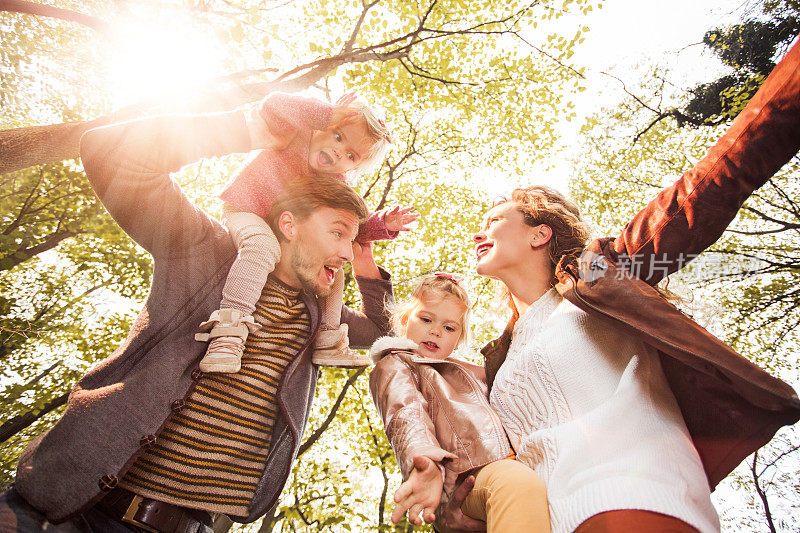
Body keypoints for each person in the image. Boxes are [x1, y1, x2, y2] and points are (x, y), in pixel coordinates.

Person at [438, 35, 800, 533]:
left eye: (497, 218)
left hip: (632, 499)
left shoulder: (600, 277)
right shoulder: (497, 359)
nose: (480, 231)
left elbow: (711, 184)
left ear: (541, 234)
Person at [0, 98, 394, 532]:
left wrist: (365, 260)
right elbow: (111, 152)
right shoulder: (203, 251)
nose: (344, 250)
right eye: (338, 233)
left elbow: (382, 328)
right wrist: (249, 132)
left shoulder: (319, 316)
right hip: (65, 514)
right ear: (289, 223)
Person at [201, 91, 417, 373]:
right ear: (321, 125)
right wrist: (325, 113)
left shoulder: (334, 182)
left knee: (334, 268)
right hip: (248, 210)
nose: (340, 151)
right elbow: (274, 104)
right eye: (338, 136)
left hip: (284, 235)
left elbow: (352, 222)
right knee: (262, 246)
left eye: (351, 155)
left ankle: (328, 337)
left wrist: (384, 224)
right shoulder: (295, 135)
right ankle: (229, 329)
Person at [369, 274, 550, 532]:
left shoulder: (465, 372)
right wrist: (426, 461)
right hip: (466, 480)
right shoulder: (397, 363)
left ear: (458, 338)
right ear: (405, 319)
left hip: (511, 464)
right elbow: (405, 412)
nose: (436, 331)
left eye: (449, 328)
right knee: (517, 486)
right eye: (426, 319)